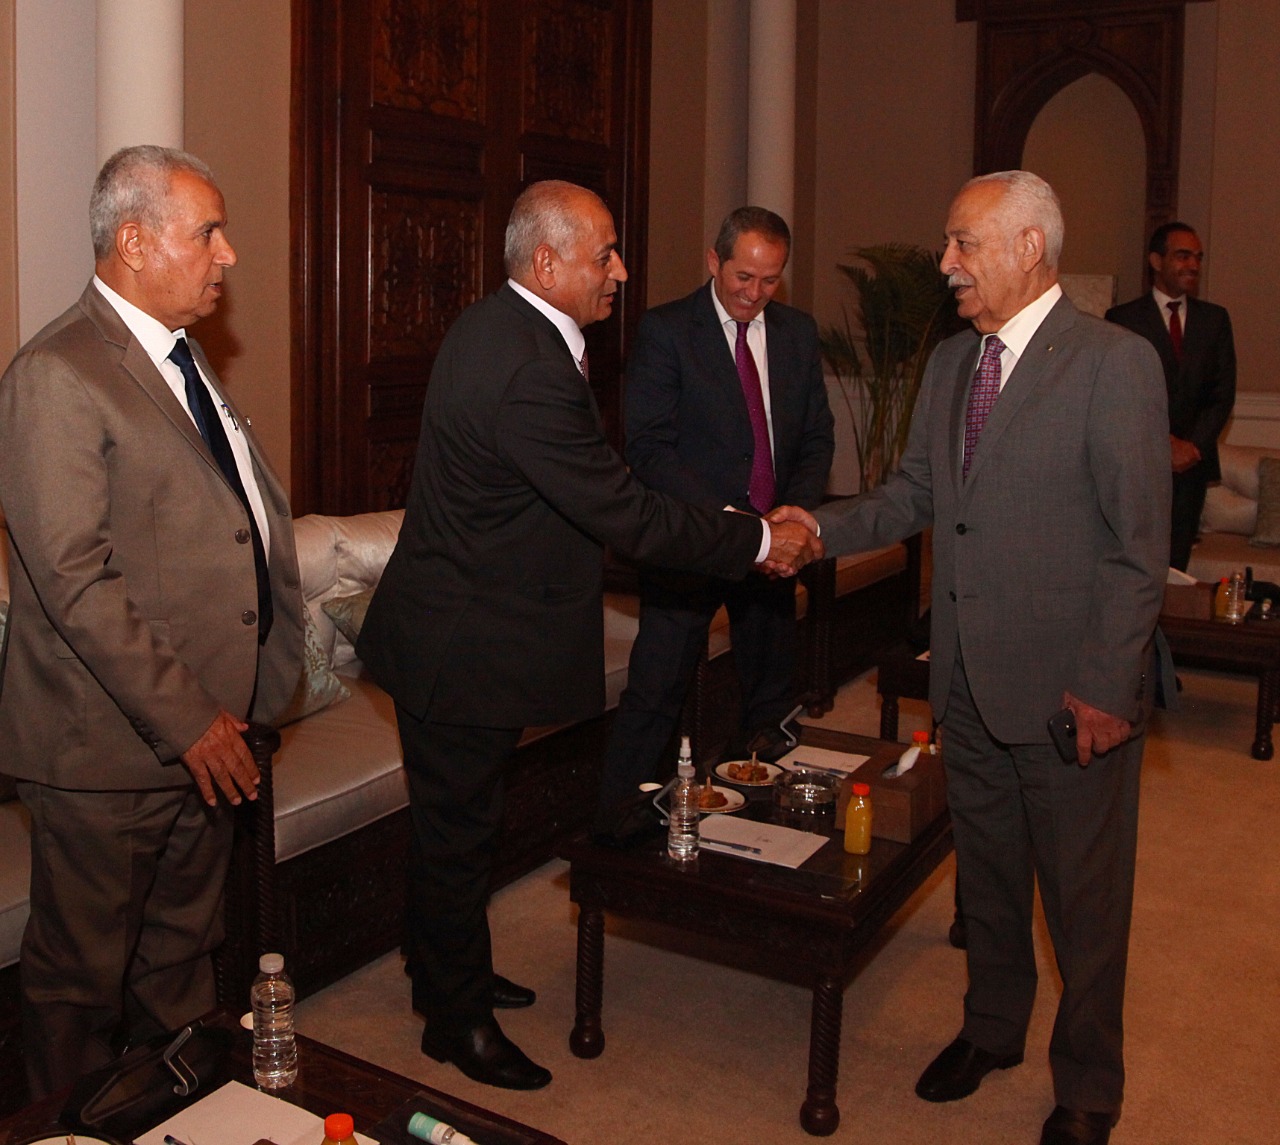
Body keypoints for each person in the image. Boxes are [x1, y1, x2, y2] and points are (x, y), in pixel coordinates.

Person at [355, 179, 822, 1092]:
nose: (619, 271)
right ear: (546, 263)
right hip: (461, 645)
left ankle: (444, 967)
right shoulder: (528, 365)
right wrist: (758, 541)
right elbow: (624, 512)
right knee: (458, 833)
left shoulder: (497, 326)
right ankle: (455, 1022)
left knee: (457, 826)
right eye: (603, 254)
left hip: (459, 630)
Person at [775, 171, 1169, 1145]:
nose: (945, 261)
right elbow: (913, 493)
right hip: (965, 679)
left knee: (1082, 901)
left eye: (963, 242)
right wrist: (816, 529)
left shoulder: (1113, 362)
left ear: (1028, 247)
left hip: (1070, 693)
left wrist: (1106, 687)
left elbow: (1138, 547)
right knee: (987, 879)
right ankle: (991, 1028)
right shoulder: (954, 363)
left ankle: (1088, 1084)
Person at [0, 145, 304, 1097]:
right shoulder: (57, 372)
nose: (228, 254)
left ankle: (178, 1112)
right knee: (79, 989)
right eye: (207, 232)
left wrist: (241, 697)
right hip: (107, 750)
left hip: (210, 736)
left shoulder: (180, 357)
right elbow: (74, 577)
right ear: (134, 242)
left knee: (180, 963)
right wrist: (191, 719)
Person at [593, 207, 834, 826]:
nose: (755, 293)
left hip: (774, 545)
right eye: (743, 277)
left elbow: (815, 437)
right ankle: (621, 827)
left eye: (770, 280)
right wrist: (736, 526)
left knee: (770, 699)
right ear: (713, 261)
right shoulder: (667, 330)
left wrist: (793, 517)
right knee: (656, 690)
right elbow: (649, 447)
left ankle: (759, 832)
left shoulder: (797, 334)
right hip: (693, 540)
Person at [1106, 222, 1237, 570]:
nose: (1193, 265)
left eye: (1198, 257)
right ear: (1155, 260)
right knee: (1136, 563)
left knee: (1177, 566)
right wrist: (1163, 444)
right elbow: (1118, 395)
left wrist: (1191, 446)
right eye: (1182, 256)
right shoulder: (1122, 319)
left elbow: (1223, 394)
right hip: (1139, 464)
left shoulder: (1215, 320)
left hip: (1192, 468)